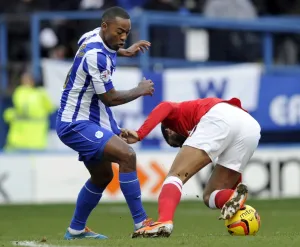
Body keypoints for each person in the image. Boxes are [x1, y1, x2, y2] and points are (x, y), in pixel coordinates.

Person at [56, 6, 154, 240]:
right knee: (127, 156)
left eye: (126, 34)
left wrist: (125, 50)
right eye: (119, 32)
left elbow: (104, 47)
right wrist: (139, 90)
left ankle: (76, 230)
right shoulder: (95, 56)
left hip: (88, 119)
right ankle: (142, 222)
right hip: (75, 123)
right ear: (105, 26)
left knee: (102, 177)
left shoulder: (91, 36)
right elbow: (109, 98)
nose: (122, 37)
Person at [124, 97, 261, 238]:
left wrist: (140, 133)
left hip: (219, 116)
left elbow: (165, 106)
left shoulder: (174, 119)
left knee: (175, 175)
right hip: (250, 126)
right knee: (210, 195)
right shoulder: (195, 116)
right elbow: (232, 170)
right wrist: (234, 200)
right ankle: (228, 197)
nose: (182, 146)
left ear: (169, 131)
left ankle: (163, 221)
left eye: (177, 144)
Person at [3, 72, 54, 150]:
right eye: (24, 80)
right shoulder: (19, 92)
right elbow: (22, 108)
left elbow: (50, 107)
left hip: (36, 141)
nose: (26, 82)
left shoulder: (40, 93)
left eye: (28, 79)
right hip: (18, 141)